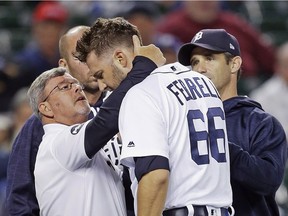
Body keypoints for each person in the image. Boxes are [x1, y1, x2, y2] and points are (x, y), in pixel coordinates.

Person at [76, 16, 232, 216]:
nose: (101, 86)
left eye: (100, 74)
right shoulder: (201, 81)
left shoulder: (139, 94)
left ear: (121, 59)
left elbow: (155, 176)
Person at [6, 23, 164, 215]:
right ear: (64, 66)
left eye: (91, 54)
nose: (89, 64)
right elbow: (19, 199)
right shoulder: (54, 136)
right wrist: (144, 65)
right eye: (79, 57)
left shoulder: (113, 118)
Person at [177, 28, 287, 216]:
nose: (200, 69)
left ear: (234, 64)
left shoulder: (259, 122)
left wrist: (219, 145)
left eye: (209, 58)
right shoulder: (180, 120)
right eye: (195, 62)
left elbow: (268, 180)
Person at [157, 1, 276, 95]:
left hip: (247, 90)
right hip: (190, 93)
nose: (204, 2)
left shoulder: (235, 23)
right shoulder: (170, 27)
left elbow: (271, 60)